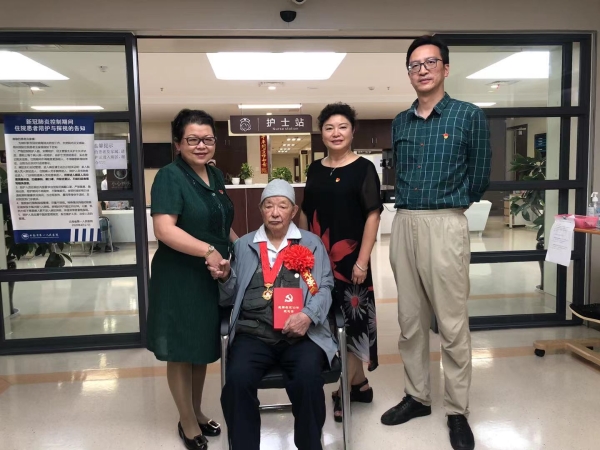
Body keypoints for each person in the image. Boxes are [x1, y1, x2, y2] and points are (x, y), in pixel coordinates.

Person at [381, 36, 491, 450]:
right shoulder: (400, 121)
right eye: (415, 65)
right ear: (408, 73)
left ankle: (457, 410)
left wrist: (450, 203)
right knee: (410, 321)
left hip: (446, 223)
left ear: (445, 68)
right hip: (405, 221)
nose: (422, 70)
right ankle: (417, 396)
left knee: (451, 322)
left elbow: (479, 176)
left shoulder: (468, 115)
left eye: (430, 62)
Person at [211, 179, 336, 450]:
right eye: (269, 206)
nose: (275, 213)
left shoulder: (311, 243)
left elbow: (325, 287)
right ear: (261, 210)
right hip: (253, 334)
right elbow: (230, 297)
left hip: (302, 336)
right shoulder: (244, 245)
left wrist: (308, 315)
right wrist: (225, 278)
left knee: (308, 380)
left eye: (282, 206)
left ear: (294, 211)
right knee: (237, 381)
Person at [146, 109, 238, 450]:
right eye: (193, 139)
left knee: (200, 348)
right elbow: (164, 229)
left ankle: (197, 411)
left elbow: (221, 223)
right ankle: (186, 422)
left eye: (207, 139)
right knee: (181, 351)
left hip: (209, 277)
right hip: (179, 277)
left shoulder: (214, 175)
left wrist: (242, 247)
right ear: (178, 143)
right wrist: (208, 251)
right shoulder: (169, 177)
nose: (201, 145)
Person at [299, 102, 382, 421]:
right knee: (328, 323)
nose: (336, 133)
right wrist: (303, 252)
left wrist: (362, 261)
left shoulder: (363, 168)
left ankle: (344, 390)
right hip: (318, 261)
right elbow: (306, 211)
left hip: (351, 262)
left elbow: (372, 215)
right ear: (321, 133)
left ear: (352, 131)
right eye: (329, 127)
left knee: (351, 325)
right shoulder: (315, 169)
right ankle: (359, 384)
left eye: (342, 127)